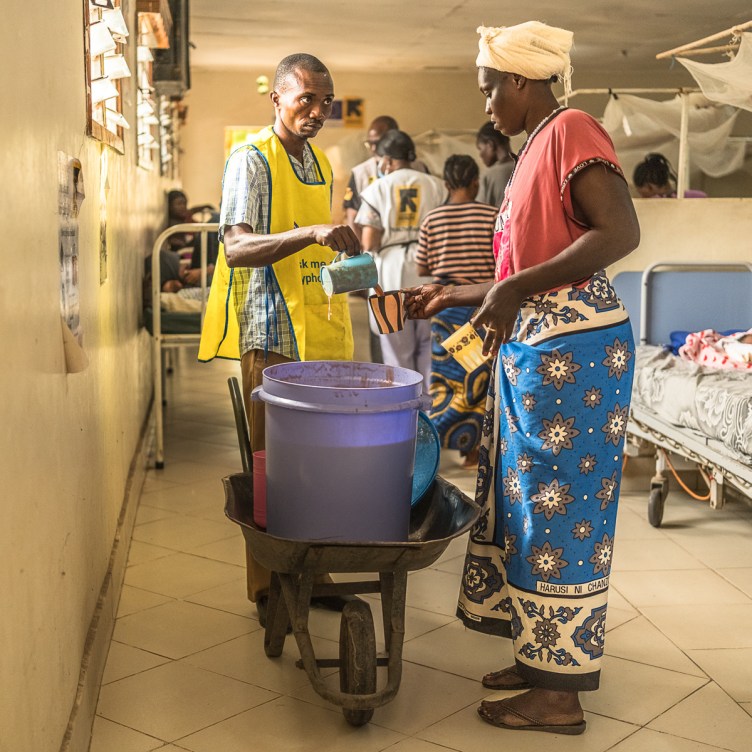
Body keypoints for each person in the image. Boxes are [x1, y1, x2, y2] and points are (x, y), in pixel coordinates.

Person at [405, 21, 640, 735]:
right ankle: (541, 658)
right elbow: (527, 271)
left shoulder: (573, 129)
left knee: (558, 511)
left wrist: (511, 292)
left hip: (574, 356)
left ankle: (558, 696)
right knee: (523, 506)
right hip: (542, 349)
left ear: (518, 81)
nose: (486, 108)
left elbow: (619, 233)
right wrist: (461, 293)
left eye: (487, 92)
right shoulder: (536, 147)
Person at [198, 52, 360, 622]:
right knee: (272, 466)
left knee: (316, 464)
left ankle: (316, 574)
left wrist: (357, 276)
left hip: (316, 328)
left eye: (325, 101)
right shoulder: (252, 160)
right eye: (305, 99)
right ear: (277, 98)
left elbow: (317, 253)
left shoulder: (317, 162)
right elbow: (237, 248)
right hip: (271, 334)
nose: (317, 111)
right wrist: (312, 231)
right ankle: (270, 587)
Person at [414, 154, 497, 468]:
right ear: (476, 181)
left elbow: (423, 265)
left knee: (447, 380)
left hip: (446, 307)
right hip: (482, 306)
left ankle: (434, 443)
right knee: (480, 375)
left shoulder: (432, 219)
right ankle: (473, 448)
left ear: (446, 184)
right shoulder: (492, 215)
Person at [355, 130, 446, 388]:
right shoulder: (436, 185)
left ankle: (403, 409)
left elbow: (370, 240)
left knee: (396, 347)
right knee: (428, 345)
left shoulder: (377, 189)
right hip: (428, 265)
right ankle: (429, 413)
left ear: (387, 161)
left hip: (391, 269)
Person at [343, 116, 431, 238]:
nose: (373, 149)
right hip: (375, 247)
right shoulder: (361, 173)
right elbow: (352, 215)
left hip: (417, 244)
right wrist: (359, 252)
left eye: (377, 143)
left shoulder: (420, 169)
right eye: (370, 143)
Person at [633, 153, 707, 198]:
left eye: (644, 195)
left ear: (650, 187)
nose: (642, 198)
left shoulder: (692, 197)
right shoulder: (695, 196)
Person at [476, 121, 514, 207]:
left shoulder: (489, 175)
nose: (480, 155)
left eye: (480, 148)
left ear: (490, 145)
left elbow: (481, 210)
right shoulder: (524, 166)